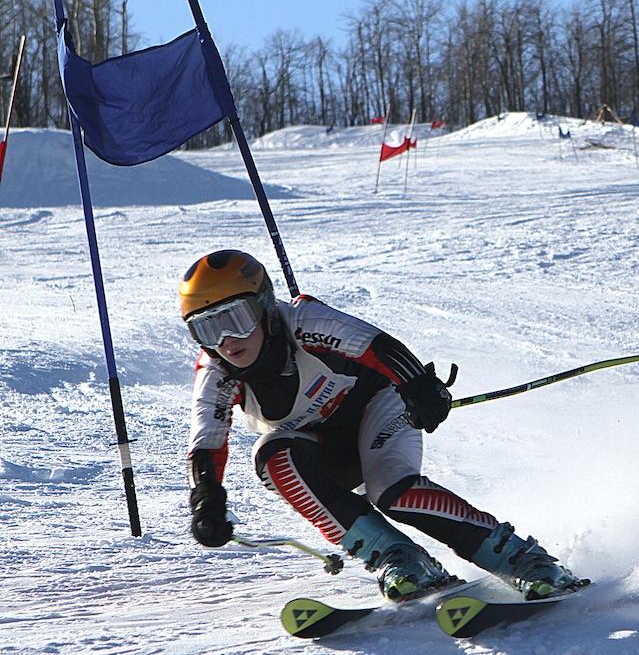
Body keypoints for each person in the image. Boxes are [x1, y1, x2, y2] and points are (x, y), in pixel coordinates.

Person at [179, 249, 588, 602]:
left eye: (238, 318)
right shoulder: (218, 372)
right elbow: (206, 442)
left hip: (379, 409)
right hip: (323, 450)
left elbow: (377, 345)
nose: (228, 340)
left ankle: (521, 559)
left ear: (265, 307)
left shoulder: (302, 322)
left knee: (393, 491)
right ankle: (399, 558)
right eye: (208, 327)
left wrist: (421, 386)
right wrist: (207, 501)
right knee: (272, 456)